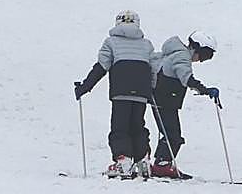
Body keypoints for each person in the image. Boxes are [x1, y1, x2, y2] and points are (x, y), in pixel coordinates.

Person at [74, 9, 157, 180]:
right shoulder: (146, 44)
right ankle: (143, 161)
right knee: (138, 125)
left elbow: (101, 67)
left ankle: (124, 160)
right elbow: (153, 69)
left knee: (120, 127)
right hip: (141, 92)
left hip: (121, 91)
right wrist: (151, 89)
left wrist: (85, 87)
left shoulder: (111, 42)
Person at [150, 32, 220, 179]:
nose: (201, 60)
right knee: (173, 135)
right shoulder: (182, 57)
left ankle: (162, 164)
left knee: (171, 133)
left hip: (162, 100)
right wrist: (205, 90)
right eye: (204, 55)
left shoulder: (175, 54)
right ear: (196, 48)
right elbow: (186, 78)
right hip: (164, 101)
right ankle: (161, 166)